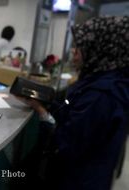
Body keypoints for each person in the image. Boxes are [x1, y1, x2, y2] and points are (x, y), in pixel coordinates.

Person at [24, 16, 129, 190]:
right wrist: (50, 103)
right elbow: (75, 113)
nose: (74, 51)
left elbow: (66, 144)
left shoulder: (100, 95)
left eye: (80, 47)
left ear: (101, 48)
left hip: (76, 181)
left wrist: (41, 112)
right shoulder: (102, 81)